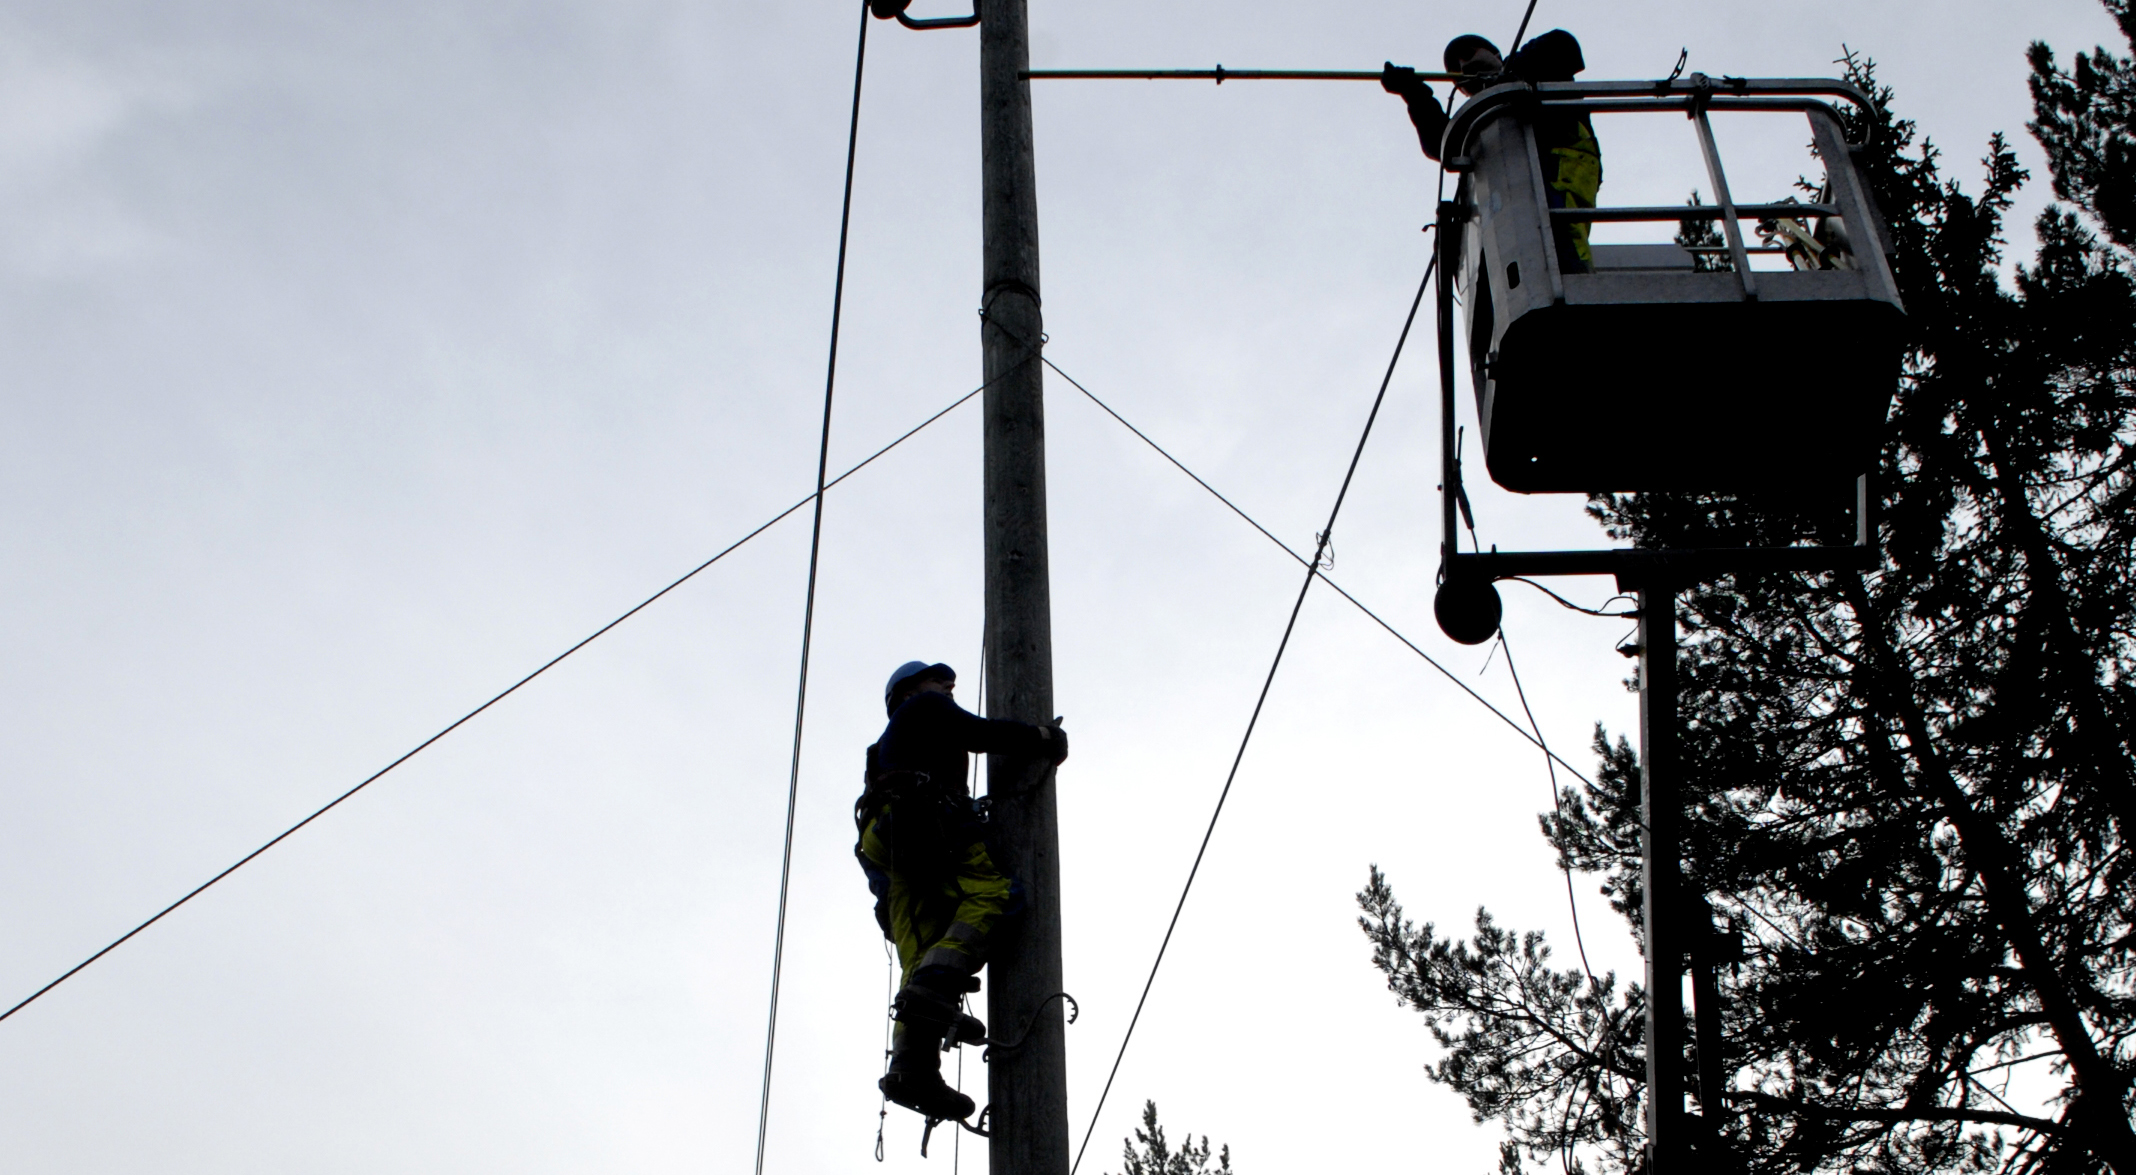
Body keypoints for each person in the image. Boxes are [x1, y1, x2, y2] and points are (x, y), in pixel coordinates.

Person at [855, 660, 1067, 1123]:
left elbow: (871, 853)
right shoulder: (924, 709)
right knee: (992, 895)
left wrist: (885, 898)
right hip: (923, 820)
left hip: (887, 840)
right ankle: (933, 993)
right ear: (909, 692)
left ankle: (913, 1068)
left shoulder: (886, 752)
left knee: (923, 953)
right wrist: (1042, 739)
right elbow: (981, 733)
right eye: (938, 679)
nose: (949, 685)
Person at [1382, 30, 1602, 270]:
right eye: (1458, 69)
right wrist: (1414, 93)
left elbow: (1563, 44)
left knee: (1557, 242)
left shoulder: (1541, 71)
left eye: (1468, 54)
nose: (1464, 64)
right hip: (1514, 200)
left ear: (1496, 54)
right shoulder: (1480, 120)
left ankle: (1573, 276)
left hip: (1558, 171)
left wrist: (1510, 72)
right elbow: (1443, 145)